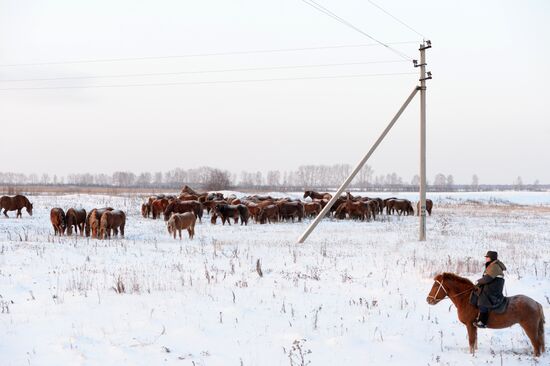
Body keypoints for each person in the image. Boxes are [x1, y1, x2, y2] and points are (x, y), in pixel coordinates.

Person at [474, 251, 507, 328]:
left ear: (491, 258)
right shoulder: (492, 265)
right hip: (492, 286)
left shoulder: (494, 266)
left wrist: (478, 281)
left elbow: (488, 278)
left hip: (494, 288)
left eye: (487, 257)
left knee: (483, 299)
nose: (486, 258)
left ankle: (482, 322)